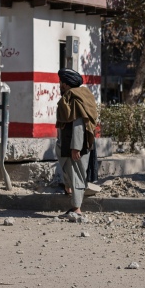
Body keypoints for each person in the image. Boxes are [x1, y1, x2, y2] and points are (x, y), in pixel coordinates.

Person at [55, 68, 98, 222]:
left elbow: (79, 124)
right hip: (67, 143)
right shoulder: (71, 97)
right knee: (70, 173)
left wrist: (75, 147)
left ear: (66, 84)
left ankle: (77, 209)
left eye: (61, 82)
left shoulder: (75, 98)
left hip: (76, 145)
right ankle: (71, 196)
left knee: (77, 175)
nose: (59, 85)